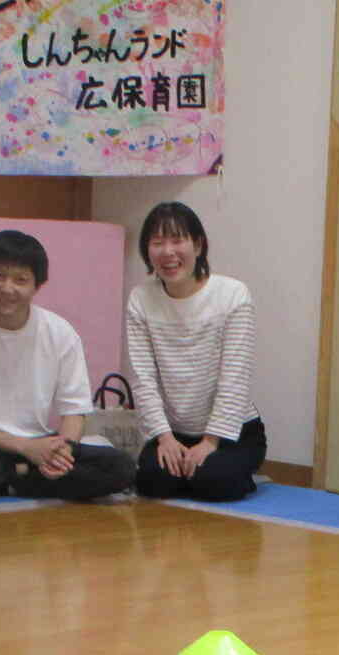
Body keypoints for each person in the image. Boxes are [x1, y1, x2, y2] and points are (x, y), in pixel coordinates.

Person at [0, 230, 136, 502]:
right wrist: (25, 449)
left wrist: (61, 452)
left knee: (121, 466)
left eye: (20, 280)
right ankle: (30, 479)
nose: (7, 288)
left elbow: (74, 411)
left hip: (45, 442)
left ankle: (8, 481)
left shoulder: (60, 332)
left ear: (37, 286)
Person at [124, 201, 265, 503]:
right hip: (173, 432)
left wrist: (210, 442)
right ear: (147, 251)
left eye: (177, 240)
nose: (168, 252)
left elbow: (234, 379)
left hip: (230, 432)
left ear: (198, 245)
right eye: (157, 242)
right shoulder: (140, 299)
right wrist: (164, 438)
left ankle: (231, 471)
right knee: (152, 483)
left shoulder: (233, 295)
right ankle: (188, 469)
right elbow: (142, 377)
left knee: (215, 483)